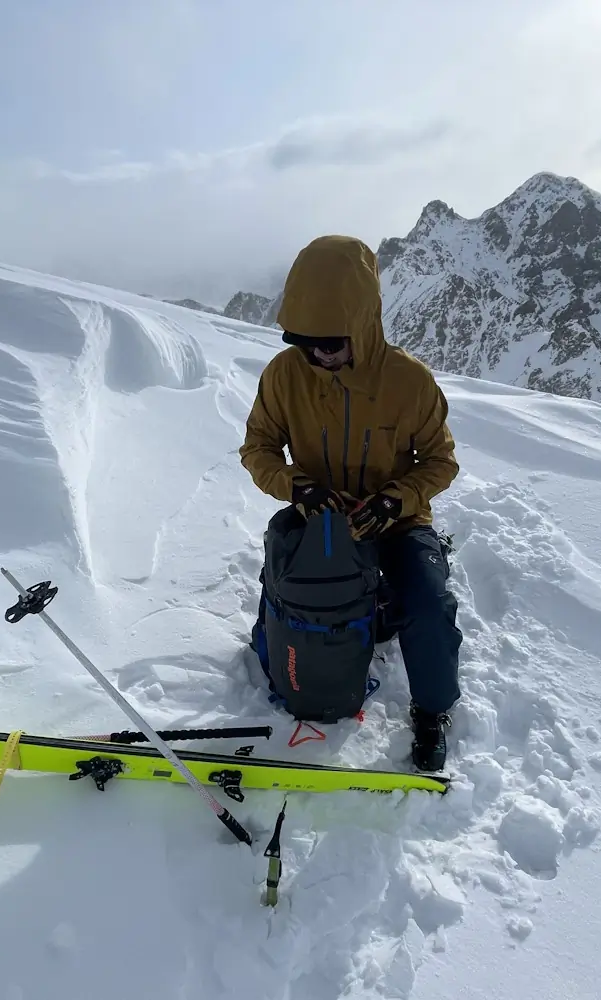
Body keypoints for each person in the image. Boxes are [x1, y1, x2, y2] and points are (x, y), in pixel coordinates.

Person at [239, 234, 462, 771]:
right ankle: (280, 646)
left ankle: (432, 709)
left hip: (396, 520)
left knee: (428, 606)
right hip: (319, 514)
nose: (318, 354)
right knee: (291, 582)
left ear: (362, 326)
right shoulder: (284, 375)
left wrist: (396, 500)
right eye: (307, 343)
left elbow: (440, 462)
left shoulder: (409, 382)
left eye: (331, 343)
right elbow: (258, 448)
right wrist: (296, 485)